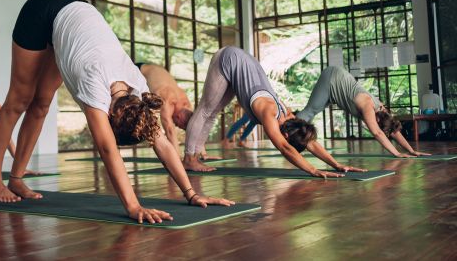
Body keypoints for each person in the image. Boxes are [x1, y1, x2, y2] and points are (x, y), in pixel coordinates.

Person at [0, 0, 234, 224]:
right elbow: (107, 148)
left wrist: (191, 194)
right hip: (41, 12)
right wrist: (133, 207)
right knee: (20, 100)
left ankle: (15, 179)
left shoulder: (138, 88)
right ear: (110, 115)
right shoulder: (95, 87)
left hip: (74, 24)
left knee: (41, 105)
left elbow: (164, 144)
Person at [184, 46, 364, 176]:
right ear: (286, 135)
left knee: (213, 112)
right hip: (228, 58)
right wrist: (313, 170)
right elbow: (285, 148)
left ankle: (200, 151)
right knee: (206, 110)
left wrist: (337, 165)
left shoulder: (290, 118)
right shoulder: (269, 112)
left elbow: (309, 141)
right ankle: (189, 159)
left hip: (244, 64)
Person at [295, 66, 431, 158]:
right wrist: (396, 153)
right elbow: (377, 133)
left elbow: (394, 130)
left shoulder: (383, 111)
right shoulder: (368, 106)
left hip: (337, 86)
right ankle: (286, 134)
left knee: (310, 113)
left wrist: (411, 151)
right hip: (331, 79)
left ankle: (290, 131)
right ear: (377, 120)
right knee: (309, 112)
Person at [136, 63, 219, 160]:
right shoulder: (168, 101)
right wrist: (178, 159)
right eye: (178, 125)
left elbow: (195, 127)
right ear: (179, 118)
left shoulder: (185, 102)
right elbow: (170, 130)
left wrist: (204, 154)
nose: (176, 125)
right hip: (139, 69)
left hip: (154, 70)